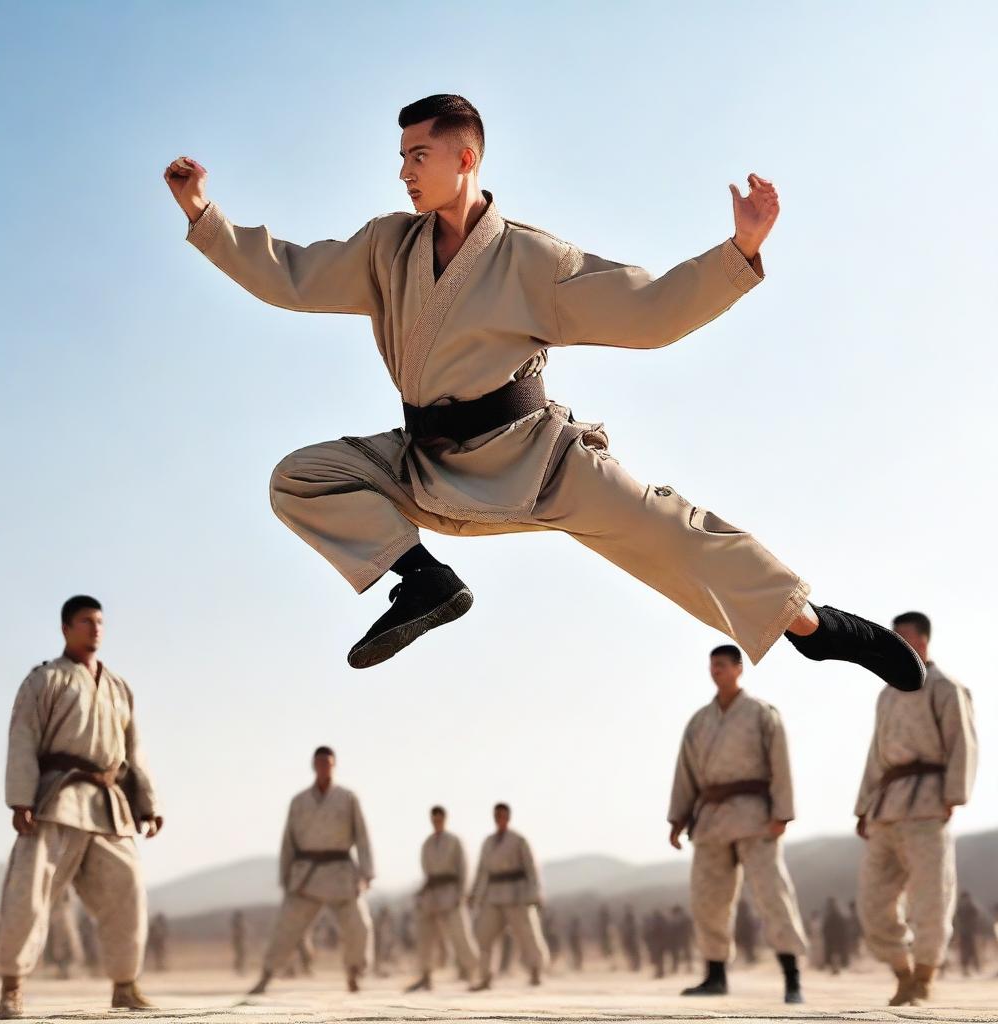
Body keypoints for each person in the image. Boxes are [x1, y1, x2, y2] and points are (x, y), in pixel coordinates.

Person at [165, 94, 925, 692]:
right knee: (300, 476)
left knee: (675, 531)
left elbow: (648, 310)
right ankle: (424, 582)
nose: (404, 171)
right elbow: (291, 275)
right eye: (400, 157)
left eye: (418, 155)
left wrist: (741, 250)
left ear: (466, 158)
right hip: (426, 464)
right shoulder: (384, 249)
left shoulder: (533, 260)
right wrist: (205, 214)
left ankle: (814, 628)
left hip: (536, 460)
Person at [0, 596, 162, 1019]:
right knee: (28, 895)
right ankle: (12, 989)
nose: (95, 628)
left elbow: (133, 751)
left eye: (100, 622)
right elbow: (23, 738)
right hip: (56, 799)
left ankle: (125, 985)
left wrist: (147, 803)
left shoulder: (119, 686)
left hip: (108, 804)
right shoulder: (45, 680)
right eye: (86, 621)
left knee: (127, 890)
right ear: (66, 628)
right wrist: (20, 798)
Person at [669, 645, 807, 1004]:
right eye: (711, 666)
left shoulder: (761, 714)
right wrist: (679, 817)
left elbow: (780, 763)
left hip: (754, 815)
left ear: (738, 669)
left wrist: (782, 813)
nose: (715, 671)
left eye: (722, 665)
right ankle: (715, 975)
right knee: (707, 900)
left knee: (771, 895)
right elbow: (685, 772)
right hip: (710, 818)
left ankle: (792, 977)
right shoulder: (700, 721)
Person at [855, 612, 977, 1007]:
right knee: (873, 901)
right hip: (886, 805)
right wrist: (863, 806)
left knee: (930, 898)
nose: (897, 648)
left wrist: (952, 795)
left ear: (922, 642)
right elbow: (876, 754)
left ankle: (924, 976)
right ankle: (902, 973)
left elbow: (963, 742)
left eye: (903, 640)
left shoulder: (945, 686)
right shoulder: (886, 692)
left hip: (928, 802)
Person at [249, 746, 374, 995]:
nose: (324, 768)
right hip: (307, 874)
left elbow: (362, 835)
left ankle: (354, 972)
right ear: (313, 765)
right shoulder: (299, 801)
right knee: (286, 927)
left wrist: (366, 872)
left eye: (328, 763)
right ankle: (266, 975)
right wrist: (285, 875)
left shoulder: (348, 798)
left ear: (334, 765)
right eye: (320, 763)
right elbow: (288, 841)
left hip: (340, 872)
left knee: (359, 926)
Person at [469, 803, 549, 989]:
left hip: (517, 894)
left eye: (502, 815)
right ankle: (485, 976)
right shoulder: (488, 841)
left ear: (508, 817)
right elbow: (481, 871)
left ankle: (535, 971)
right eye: (496, 815)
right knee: (483, 935)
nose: (499, 819)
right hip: (493, 894)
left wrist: (535, 893)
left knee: (527, 935)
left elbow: (531, 868)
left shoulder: (519, 840)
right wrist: (474, 894)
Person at [405, 806, 479, 991]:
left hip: (451, 892)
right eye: (434, 818)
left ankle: (472, 972)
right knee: (425, 936)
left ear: (445, 818)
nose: (436, 821)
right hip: (431, 893)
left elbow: (463, 868)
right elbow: (426, 870)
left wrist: (462, 894)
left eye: (439, 818)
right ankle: (425, 975)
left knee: (460, 934)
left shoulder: (454, 841)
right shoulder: (427, 843)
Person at [954, 891, 982, 976]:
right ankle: (976, 968)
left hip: (963, 931)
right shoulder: (970, 904)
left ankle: (966, 968)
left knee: (965, 950)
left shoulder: (960, 905)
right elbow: (977, 913)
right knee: (972, 950)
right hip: (970, 931)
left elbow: (956, 917)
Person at [822, 897, 850, 974]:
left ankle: (835, 969)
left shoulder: (833, 915)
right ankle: (835, 969)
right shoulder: (833, 914)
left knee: (835, 954)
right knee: (835, 954)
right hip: (833, 938)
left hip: (835, 938)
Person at [643, 909, 668, 979]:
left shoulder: (655, 923)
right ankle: (660, 972)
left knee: (658, 959)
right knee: (660, 958)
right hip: (662, 942)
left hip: (656, 943)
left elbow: (650, 933)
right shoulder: (663, 921)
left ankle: (659, 973)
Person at [734, 898, 757, 965]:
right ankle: (750, 958)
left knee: (748, 948)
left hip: (745, 934)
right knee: (748, 948)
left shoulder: (742, 916)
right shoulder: (743, 916)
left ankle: (750, 958)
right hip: (745, 935)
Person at [231, 910, 247, 975]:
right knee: (240, 956)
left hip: (240, 941)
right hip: (239, 942)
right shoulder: (237, 924)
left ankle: (239, 969)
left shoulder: (238, 924)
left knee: (241, 956)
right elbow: (238, 934)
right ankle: (239, 969)